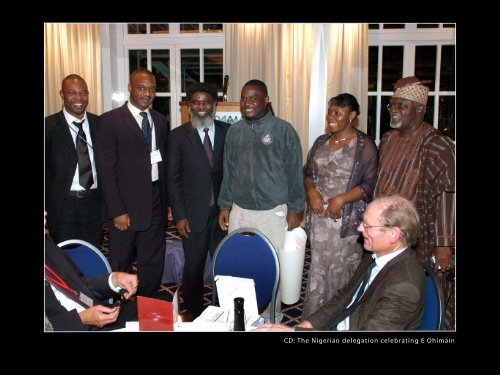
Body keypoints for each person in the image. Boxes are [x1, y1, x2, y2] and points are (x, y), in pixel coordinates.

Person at [255, 194, 426, 331]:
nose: (359, 228)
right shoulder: (375, 255)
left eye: (367, 225)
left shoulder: (404, 286)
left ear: (393, 234)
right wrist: (307, 325)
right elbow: (344, 297)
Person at [218, 79, 305, 322]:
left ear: (266, 100)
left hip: (272, 213)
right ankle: (240, 318)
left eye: (254, 98)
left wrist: (296, 208)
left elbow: (294, 172)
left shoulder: (283, 130)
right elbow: (229, 171)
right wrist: (225, 204)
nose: (248, 102)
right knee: (239, 266)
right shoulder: (234, 131)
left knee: (271, 268)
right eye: (244, 98)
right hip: (240, 212)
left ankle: (271, 320)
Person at [375, 76, 455, 329]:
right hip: (385, 232)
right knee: (387, 289)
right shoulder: (388, 139)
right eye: (392, 105)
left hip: (419, 237)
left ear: (419, 109)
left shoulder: (437, 145)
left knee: (420, 297)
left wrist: (444, 245)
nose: (394, 111)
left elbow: (448, 195)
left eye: (402, 106)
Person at [302, 93, 378, 318]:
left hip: (346, 223)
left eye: (337, 113)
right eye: (329, 112)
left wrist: (341, 199)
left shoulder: (364, 146)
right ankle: (314, 321)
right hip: (319, 220)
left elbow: (370, 184)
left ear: (352, 116)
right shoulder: (321, 141)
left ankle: (339, 322)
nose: (331, 117)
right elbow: (308, 173)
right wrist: (312, 191)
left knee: (340, 273)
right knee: (317, 269)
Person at [95, 68, 169, 297]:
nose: (147, 93)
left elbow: (162, 163)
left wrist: (166, 203)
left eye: (151, 89)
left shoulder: (159, 120)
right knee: (122, 259)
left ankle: (147, 301)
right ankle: (119, 306)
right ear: (130, 88)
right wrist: (117, 210)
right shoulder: (110, 121)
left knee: (153, 259)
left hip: (155, 200)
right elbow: (106, 171)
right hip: (124, 208)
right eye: (141, 87)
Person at [166, 82, 230, 321]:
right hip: (191, 215)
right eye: (196, 102)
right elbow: (173, 180)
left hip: (222, 214)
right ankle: (193, 311)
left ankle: (222, 308)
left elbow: (232, 173)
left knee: (223, 264)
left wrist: (229, 206)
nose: (201, 107)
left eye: (206, 102)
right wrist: (179, 215)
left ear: (214, 105)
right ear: (188, 105)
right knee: (193, 266)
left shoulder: (227, 132)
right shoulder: (178, 136)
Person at [45, 74, 103, 247]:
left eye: (83, 93)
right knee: (66, 258)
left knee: (92, 253)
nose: (79, 98)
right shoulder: (48, 127)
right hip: (63, 206)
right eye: (72, 93)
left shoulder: (100, 124)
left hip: (94, 203)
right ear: (62, 94)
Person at [45, 233, 138, 331]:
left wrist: (114, 280)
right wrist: (82, 319)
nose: (46, 216)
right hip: (73, 327)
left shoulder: (46, 244)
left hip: (99, 312)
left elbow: (78, 285)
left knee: (150, 311)